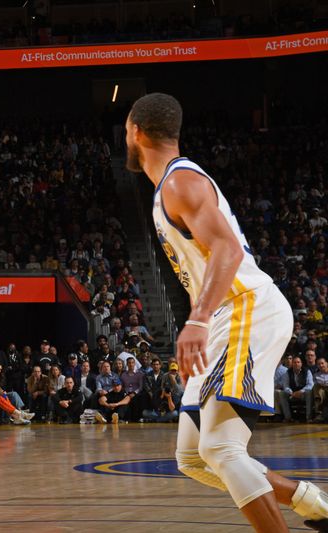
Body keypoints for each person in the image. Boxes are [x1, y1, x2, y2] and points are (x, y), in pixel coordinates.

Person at [126, 92, 328, 532]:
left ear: (135, 131)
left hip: (244, 307)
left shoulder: (181, 182)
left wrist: (197, 321)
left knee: (221, 448)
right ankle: (313, 503)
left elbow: (228, 249)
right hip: (225, 316)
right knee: (195, 458)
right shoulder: (169, 189)